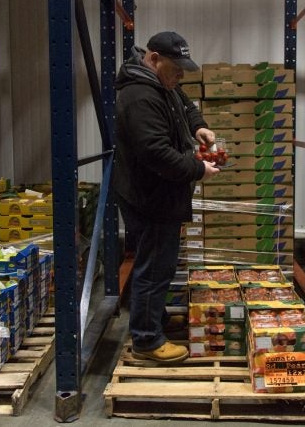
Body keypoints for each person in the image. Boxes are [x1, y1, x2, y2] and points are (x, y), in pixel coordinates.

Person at [113, 31, 220, 363]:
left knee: (161, 262)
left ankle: (154, 320)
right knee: (155, 267)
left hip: (161, 194)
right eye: (176, 68)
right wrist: (197, 169)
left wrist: (198, 126)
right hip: (150, 197)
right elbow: (156, 153)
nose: (181, 75)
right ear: (154, 58)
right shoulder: (139, 96)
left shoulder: (161, 84)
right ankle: (146, 341)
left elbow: (183, 103)